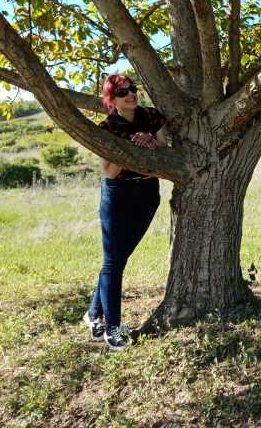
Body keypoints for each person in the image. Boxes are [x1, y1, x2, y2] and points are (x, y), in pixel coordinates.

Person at [83, 74, 167, 351]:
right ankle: (111, 329)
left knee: (118, 259)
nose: (131, 94)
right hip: (118, 196)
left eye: (132, 89)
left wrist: (152, 143)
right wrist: (130, 147)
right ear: (111, 99)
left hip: (147, 193)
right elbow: (109, 170)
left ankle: (93, 313)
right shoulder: (107, 127)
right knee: (113, 262)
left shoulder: (152, 116)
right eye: (122, 92)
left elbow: (165, 150)